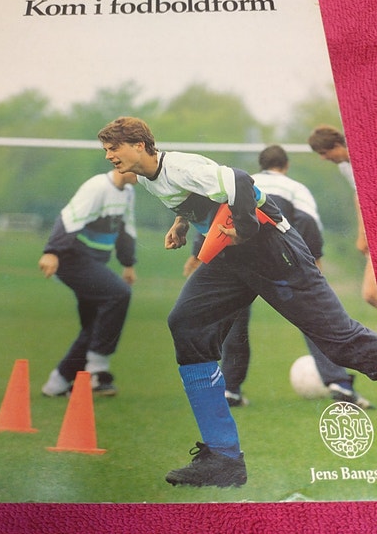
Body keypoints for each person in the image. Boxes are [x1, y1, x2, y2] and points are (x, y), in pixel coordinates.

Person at [98, 116, 377, 489]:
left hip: (274, 251)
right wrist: (182, 224)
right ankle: (223, 458)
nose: (108, 156)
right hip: (232, 258)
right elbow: (197, 199)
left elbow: (240, 181)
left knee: (341, 344)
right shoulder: (150, 177)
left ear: (138, 145)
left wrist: (244, 228)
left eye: (113, 148)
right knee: (187, 325)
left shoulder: (178, 166)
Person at [184, 145, 372, 409]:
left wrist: (197, 254)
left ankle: (231, 389)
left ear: (260, 165)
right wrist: (314, 261)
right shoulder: (296, 188)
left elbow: (214, 222)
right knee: (313, 319)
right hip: (278, 263)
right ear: (286, 165)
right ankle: (338, 382)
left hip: (238, 263)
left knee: (235, 324)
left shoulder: (239, 184)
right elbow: (307, 223)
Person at [39, 168, 137, 397]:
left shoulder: (128, 193)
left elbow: (126, 229)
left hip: (94, 262)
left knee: (95, 324)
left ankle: (57, 383)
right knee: (118, 294)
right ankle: (97, 371)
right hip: (72, 258)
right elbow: (68, 218)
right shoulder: (98, 187)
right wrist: (52, 251)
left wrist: (128, 264)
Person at [308, 125, 377, 308]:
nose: (323, 158)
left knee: (371, 293)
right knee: (371, 294)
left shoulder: (365, 156)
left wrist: (363, 235)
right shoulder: (346, 167)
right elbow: (359, 197)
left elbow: (365, 198)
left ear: (337, 145)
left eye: (324, 153)